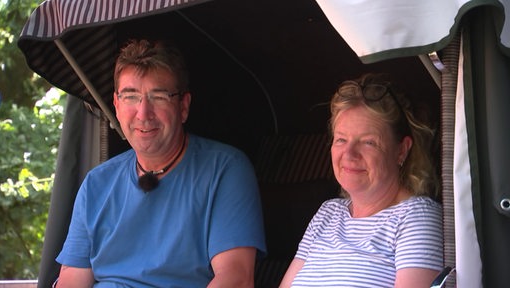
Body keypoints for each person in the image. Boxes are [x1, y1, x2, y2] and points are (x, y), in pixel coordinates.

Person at [55, 39, 266, 287]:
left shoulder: (225, 169)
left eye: (159, 96)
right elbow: (72, 280)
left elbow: (236, 278)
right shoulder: (96, 183)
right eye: (131, 97)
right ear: (116, 105)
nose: (143, 114)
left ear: (183, 106)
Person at [280, 73, 443, 288]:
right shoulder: (327, 214)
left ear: (401, 151)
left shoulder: (416, 217)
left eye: (368, 142)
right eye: (341, 139)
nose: (348, 153)